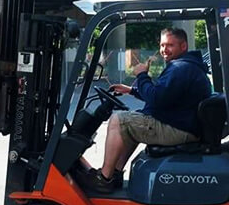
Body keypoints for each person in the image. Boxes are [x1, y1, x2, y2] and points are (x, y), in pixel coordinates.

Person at [88, 27, 212, 193]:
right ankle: (114, 175)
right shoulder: (187, 66)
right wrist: (131, 90)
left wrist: (142, 75)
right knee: (134, 121)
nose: (164, 50)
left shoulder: (180, 68)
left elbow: (157, 99)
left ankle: (103, 178)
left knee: (119, 121)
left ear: (183, 46)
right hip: (182, 124)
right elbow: (164, 97)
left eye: (170, 45)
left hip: (179, 129)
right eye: (162, 45)